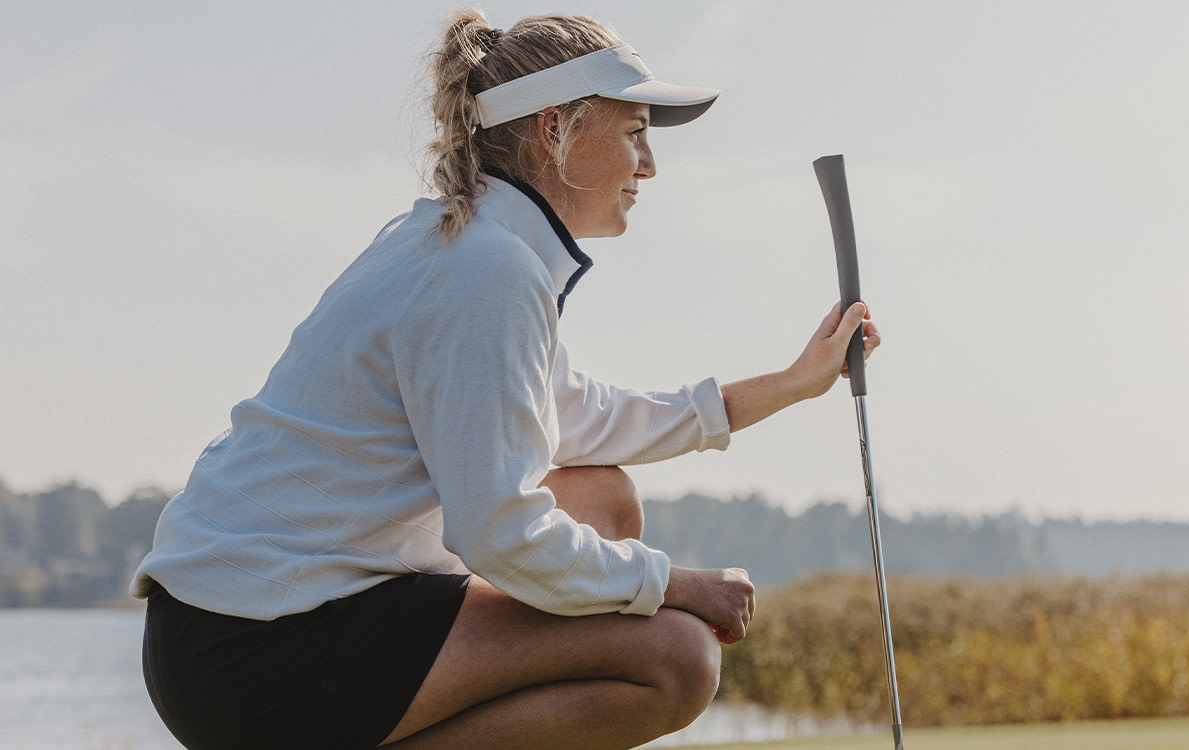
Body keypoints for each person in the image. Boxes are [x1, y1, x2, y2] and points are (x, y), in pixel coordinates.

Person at [133, 8, 879, 750]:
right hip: (253, 651)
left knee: (602, 497)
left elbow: (591, 420)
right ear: (554, 130)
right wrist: (677, 584)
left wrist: (791, 381)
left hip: (257, 622)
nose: (648, 165)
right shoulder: (486, 270)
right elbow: (498, 531)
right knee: (675, 660)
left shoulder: (474, 246)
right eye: (634, 132)